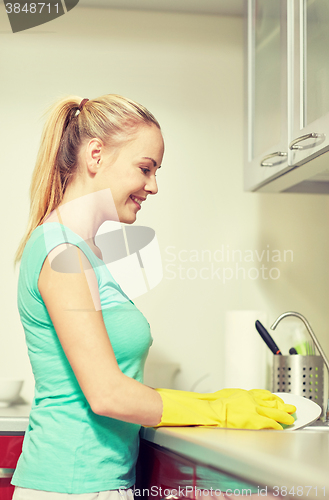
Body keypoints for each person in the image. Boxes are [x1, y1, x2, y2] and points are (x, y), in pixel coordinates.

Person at [12, 94, 296, 499]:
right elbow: (107, 393)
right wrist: (218, 409)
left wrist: (214, 403)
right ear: (96, 155)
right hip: (71, 485)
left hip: (90, 483)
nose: (154, 186)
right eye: (145, 168)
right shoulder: (62, 252)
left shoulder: (81, 250)